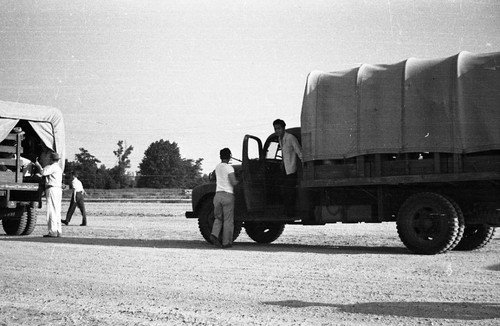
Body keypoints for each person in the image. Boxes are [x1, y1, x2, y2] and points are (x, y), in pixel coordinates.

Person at [273, 119, 303, 217]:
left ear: (283, 128)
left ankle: (291, 213)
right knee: (285, 191)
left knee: (290, 192)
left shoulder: (290, 138)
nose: (277, 131)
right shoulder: (280, 139)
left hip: (292, 169)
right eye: (275, 129)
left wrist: (305, 165)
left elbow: (299, 151)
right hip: (285, 169)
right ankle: (286, 212)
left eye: (279, 128)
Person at [211, 148, 238, 249]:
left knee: (218, 217)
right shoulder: (229, 168)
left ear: (220, 156)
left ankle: (214, 234)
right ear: (230, 156)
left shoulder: (217, 167)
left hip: (217, 195)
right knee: (228, 220)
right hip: (227, 195)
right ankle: (226, 243)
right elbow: (233, 182)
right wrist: (239, 181)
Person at [35, 151, 63, 238]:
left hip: (52, 189)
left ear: (51, 159)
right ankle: (58, 230)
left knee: (51, 210)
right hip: (58, 189)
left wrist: (37, 165)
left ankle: (52, 231)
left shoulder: (52, 167)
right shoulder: (59, 168)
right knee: (57, 210)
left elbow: (43, 172)